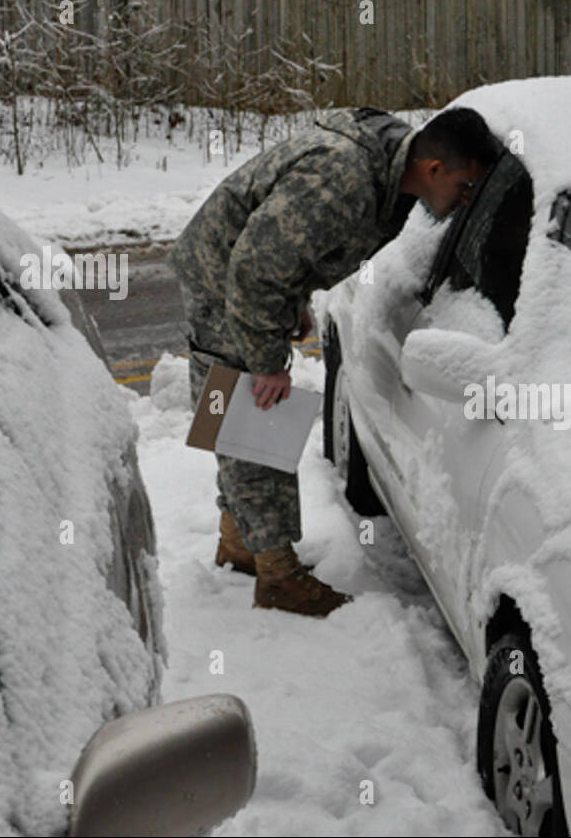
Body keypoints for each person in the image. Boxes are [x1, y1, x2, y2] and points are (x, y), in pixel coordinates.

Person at [170, 106, 500, 616]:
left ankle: (238, 545)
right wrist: (267, 361)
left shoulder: (388, 167)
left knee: (236, 411)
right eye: (465, 187)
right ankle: (276, 577)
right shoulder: (342, 180)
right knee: (255, 417)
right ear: (434, 169)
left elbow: (284, 248)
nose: (464, 202)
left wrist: (293, 295)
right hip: (224, 283)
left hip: (233, 270)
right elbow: (255, 272)